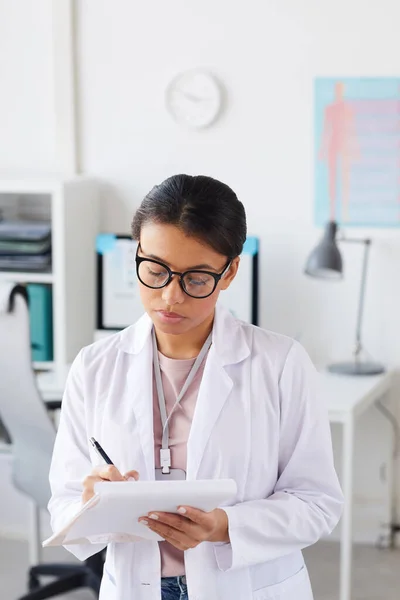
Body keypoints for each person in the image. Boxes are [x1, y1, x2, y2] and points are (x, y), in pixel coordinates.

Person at [48, 174, 343, 600]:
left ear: (230, 272)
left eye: (196, 279)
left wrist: (224, 525)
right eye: (155, 270)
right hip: (136, 585)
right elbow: (64, 504)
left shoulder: (280, 364)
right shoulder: (95, 367)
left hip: (246, 585)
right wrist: (92, 505)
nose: (170, 296)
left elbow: (317, 503)